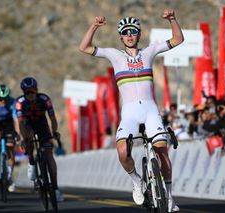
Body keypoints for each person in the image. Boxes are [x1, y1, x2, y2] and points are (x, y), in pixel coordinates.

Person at [79, 8, 184, 212]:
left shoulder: (149, 51)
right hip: (129, 114)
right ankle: (137, 181)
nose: (129, 35)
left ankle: (170, 197)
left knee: (162, 151)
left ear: (139, 34)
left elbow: (178, 39)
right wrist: (94, 26)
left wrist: (172, 19)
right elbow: (84, 47)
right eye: (125, 32)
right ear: (121, 37)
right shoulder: (114, 55)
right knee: (122, 152)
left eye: (133, 31)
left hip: (150, 110)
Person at [15, 77, 64, 202]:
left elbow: (52, 118)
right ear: (23, 93)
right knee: (29, 136)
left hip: (42, 124)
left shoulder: (45, 99)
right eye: (27, 92)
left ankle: (56, 189)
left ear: (36, 90)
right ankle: (31, 162)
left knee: (49, 154)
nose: (30, 95)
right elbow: (20, 123)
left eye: (32, 91)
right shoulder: (20, 102)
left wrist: (54, 131)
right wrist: (23, 138)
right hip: (28, 125)